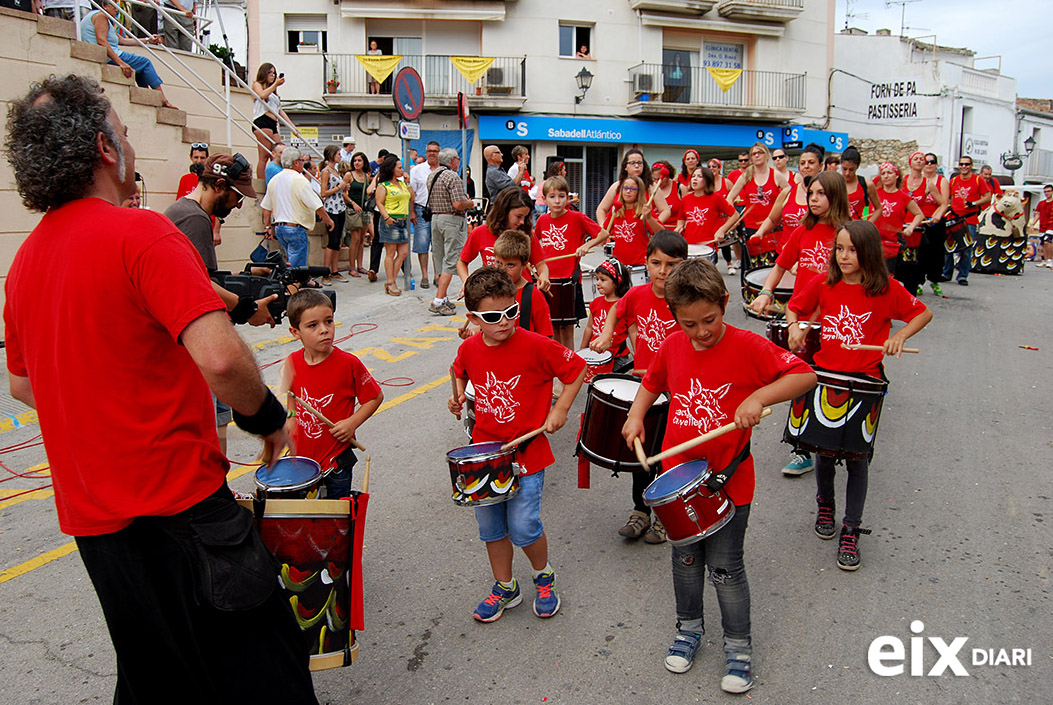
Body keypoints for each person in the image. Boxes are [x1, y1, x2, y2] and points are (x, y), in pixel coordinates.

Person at [4, 73, 318, 704]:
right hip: (182, 511)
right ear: (104, 147)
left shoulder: (26, 262)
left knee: (157, 676)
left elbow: (21, 384)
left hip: (98, 527)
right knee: (269, 673)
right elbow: (223, 361)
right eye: (123, 129)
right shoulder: (141, 231)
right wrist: (269, 419)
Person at [621, 258, 816, 692]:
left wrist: (759, 397)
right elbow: (652, 381)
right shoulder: (673, 345)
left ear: (724, 303)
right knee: (686, 560)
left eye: (708, 320)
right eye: (689, 324)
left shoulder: (748, 346)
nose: (701, 331)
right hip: (677, 480)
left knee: (726, 568)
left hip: (728, 481)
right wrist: (636, 416)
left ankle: (738, 647)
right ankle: (688, 630)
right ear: (675, 317)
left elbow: (804, 374)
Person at [786, 221, 931, 570]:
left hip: (864, 380)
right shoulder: (823, 283)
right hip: (826, 377)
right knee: (821, 450)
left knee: (856, 458)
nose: (844, 255)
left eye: (851, 249)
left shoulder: (886, 289)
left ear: (867, 252)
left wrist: (900, 337)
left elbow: (922, 312)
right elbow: (795, 308)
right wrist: (795, 327)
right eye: (839, 248)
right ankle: (825, 504)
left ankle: (851, 528)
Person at [448, 267, 587, 622]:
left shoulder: (536, 345)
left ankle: (543, 576)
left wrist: (560, 409)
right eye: (494, 317)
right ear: (473, 318)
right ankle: (505, 585)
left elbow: (577, 369)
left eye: (511, 312)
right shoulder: (470, 348)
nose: (506, 322)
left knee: (524, 525)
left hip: (527, 450)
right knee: (490, 528)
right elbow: (458, 368)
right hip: (485, 455)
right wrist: (457, 397)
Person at [166, 153, 277, 455]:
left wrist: (247, 274)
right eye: (236, 196)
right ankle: (218, 485)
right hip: (191, 336)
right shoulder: (195, 218)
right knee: (216, 414)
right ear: (218, 185)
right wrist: (248, 308)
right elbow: (200, 284)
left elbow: (202, 275)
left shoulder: (183, 211)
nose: (238, 205)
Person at [749, 171, 851, 477]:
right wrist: (766, 293)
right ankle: (802, 449)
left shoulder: (847, 233)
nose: (814, 199)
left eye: (821, 194)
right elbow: (780, 267)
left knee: (831, 384)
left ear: (835, 197)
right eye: (811, 194)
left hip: (835, 322)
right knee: (801, 382)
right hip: (802, 318)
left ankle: (832, 441)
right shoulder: (803, 231)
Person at [591, 231, 689, 544]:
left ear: (684, 265)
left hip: (677, 388)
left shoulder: (687, 299)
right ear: (645, 263)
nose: (663, 270)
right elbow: (615, 311)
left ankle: (665, 513)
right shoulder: (637, 295)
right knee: (641, 451)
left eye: (671, 264)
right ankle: (641, 511)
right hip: (645, 384)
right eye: (656, 262)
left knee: (669, 454)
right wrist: (607, 336)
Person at [279, 290, 383, 499]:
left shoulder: (348, 364)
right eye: (313, 325)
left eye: (329, 321)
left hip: (336, 463)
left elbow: (374, 397)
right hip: (303, 460)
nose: (324, 330)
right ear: (295, 332)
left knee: (335, 521)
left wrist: (352, 423)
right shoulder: (292, 361)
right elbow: (292, 396)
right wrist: (290, 422)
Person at [534, 176, 605, 348]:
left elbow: (603, 234)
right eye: (552, 196)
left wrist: (586, 245)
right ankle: (558, 365)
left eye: (561, 196)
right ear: (544, 199)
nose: (557, 201)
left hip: (568, 280)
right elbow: (533, 243)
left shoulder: (577, 217)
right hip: (548, 280)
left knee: (567, 330)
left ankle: (569, 365)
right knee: (551, 329)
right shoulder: (542, 220)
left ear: (568, 197)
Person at [79, 1, 176, 109]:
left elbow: (123, 40)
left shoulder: (99, 18)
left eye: (117, 6)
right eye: (113, 6)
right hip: (108, 56)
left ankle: (149, 95)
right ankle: (163, 99)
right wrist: (121, 63)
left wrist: (148, 40)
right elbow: (102, 42)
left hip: (106, 55)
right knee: (145, 62)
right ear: (104, 6)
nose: (116, 9)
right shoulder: (101, 16)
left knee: (140, 67)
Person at [458, 187, 550, 296]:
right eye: (519, 216)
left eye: (525, 217)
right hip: (493, 295)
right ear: (504, 211)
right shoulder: (480, 232)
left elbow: (541, 264)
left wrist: (544, 276)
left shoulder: (527, 234)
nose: (522, 222)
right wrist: (466, 281)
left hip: (521, 295)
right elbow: (462, 262)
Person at [261, 146, 334, 268]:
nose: (303, 164)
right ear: (295, 162)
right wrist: (328, 220)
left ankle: (295, 284)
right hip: (295, 228)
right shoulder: (299, 180)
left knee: (289, 262)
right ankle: (293, 286)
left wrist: (267, 226)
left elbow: (266, 207)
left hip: (280, 229)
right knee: (296, 269)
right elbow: (316, 204)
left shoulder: (274, 179)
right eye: (301, 160)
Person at [751, 142, 825, 255]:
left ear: (820, 166)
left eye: (811, 163)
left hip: (812, 255)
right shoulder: (788, 192)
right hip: (785, 254)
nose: (806, 166)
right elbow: (772, 219)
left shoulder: (828, 194)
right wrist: (759, 232)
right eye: (802, 163)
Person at [727, 143, 789, 275]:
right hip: (751, 229)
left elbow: (790, 195)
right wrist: (733, 217)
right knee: (753, 271)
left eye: (760, 152)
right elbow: (729, 198)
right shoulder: (746, 175)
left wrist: (782, 211)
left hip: (773, 229)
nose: (757, 156)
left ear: (766, 155)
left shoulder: (776, 175)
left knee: (772, 269)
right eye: (754, 154)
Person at [427, 148, 474, 315]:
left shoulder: (432, 175)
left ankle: (444, 297)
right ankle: (439, 300)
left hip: (436, 218)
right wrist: (469, 203)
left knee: (439, 258)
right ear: (453, 160)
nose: (459, 162)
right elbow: (458, 204)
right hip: (452, 220)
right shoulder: (453, 176)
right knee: (452, 259)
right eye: (458, 159)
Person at [904, 151, 948, 295]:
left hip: (917, 226)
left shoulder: (928, 184)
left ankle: (916, 286)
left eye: (921, 159)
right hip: (901, 226)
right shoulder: (901, 181)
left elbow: (943, 204)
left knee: (917, 260)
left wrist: (936, 216)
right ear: (910, 162)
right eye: (915, 159)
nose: (919, 161)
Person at [494, 230, 554, 337]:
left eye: (510, 265)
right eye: (499, 263)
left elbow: (546, 336)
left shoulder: (533, 295)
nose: (502, 270)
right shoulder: (491, 291)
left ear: (525, 264)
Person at [579, 258, 632, 374]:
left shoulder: (624, 305)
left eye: (603, 280)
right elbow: (589, 328)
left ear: (617, 280)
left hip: (618, 356)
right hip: (597, 354)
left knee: (614, 385)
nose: (598, 283)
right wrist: (582, 350)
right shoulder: (595, 303)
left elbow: (633, 332)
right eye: (597, 279)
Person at [946, 155, 991, 285]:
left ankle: (963, 275)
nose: (964, 167)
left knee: (966, 249)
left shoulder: (978, 180)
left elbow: (988, 196)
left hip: (969, 218)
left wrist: (974, 203)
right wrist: (949, 206)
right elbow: (948, 197)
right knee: (949, 247)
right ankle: (946, 272)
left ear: (971, 166)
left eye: (966, 164)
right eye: (961, 164)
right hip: (954, 217)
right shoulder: (954, 181)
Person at [596, 149, 671, 228]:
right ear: (625, 166)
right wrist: (603, 228)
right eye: (632, 163)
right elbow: (601, 209)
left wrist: (652, 225)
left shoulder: (651, 186)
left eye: (639, 163)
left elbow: (665, 211)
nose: (636, 166)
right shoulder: (617, 186)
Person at [374, 154, 415, 296]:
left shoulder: (402, 183)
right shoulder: (383, 185)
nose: (401, 170)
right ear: (392, 169)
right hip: (391, 220)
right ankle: (391, 282)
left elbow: (411, 197)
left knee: (403, 252)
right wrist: (386, 217)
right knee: (390, 253)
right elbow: (379, 202)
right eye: (399, 167)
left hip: (403, 220)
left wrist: (407, 182)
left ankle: (391, 279)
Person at [874, 160, 923, 277]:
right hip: (873, 242)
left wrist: (911, 228)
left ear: (897, 175)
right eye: (883, 173)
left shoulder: (904, 197)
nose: (886, 176)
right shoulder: (874, 193)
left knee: (887, 278)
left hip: (892, 245)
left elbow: (919, 214)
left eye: (889, 173)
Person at [604, 175, 663, 267]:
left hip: (639, 263)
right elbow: (604, 232)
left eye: (632, 189)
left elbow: (661, 233)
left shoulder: (644, 211)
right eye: (625, 188)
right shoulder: (616, 210)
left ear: (639, 192)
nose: (628, 191)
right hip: (619, 263)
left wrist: (649, 217)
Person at [252, 63, 298, 179]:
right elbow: (262, 95)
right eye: (270, 73)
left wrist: (292, 127)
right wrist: (276, 84)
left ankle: (277, 179)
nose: (272, 76)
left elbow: (280, 111)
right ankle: (262, 183)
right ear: (264, 73)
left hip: (273, 123)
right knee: (265, 156)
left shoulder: (274, 94)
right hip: (262, 120)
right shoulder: (257, 84)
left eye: (274, 73)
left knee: (279, 153)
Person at [409, 141, 443, 289]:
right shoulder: (417, 170)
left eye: (435, 151)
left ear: (439, 153)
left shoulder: (444, 170)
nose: (432, 153)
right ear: (426, 152)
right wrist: (411, 211)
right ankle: (424, 276)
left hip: (439, 210)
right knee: (422, 243)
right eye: (429, 151)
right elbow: (412, 192)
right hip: (421, 209)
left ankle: (437, 275)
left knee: (437, 245)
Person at [677, 166, 735, 245]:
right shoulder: (685, 199)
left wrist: (722, 230)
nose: (695, 178)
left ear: (707, 180)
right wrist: (679, 227)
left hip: (708, 245)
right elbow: (681, 220)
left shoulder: (716, 198)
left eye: (699, 176)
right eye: (693, 176)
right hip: (688, 245)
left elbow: (735, 215)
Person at [319, 145, 349, 283]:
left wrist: (343, 188)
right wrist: (339, 187)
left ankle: (335, 270)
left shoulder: (335, 171)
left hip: (340, 207)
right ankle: (326, 272)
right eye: (338, 154)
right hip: (331, 208)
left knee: (337, 241)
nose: (340, 156)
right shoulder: (326, 171)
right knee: (332, 241)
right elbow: (323, 192)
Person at [342, 151, 373, 278]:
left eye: (359, 160)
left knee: (361, 239)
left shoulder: (366, 176)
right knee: (355, 239)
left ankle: (360, 266)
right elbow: (342, 192)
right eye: (355, 160)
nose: (357, 163)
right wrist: (352, 203)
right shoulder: (349, 175)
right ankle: (352, 267)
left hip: (364, 210)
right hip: (353, 210)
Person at [839, 146, 881, 223]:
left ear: (857, 167)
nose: (847, 173)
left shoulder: (866, 184)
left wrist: (867, 225)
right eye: (844, 169)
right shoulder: (835, 183)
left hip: (858, 230)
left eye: (851, 169)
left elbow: (878, 209)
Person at [1028, 184, 1053, 268]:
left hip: (1051, 225)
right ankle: (1045, 260)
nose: (1047, 193)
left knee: (1047, 241)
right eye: (1045, 192)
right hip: (1043, 225)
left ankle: (1050, 260)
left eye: (1049, 191)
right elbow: (1037, 214)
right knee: (1043, 243)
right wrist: (1032, 224)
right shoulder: (1041, 203)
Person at [651, 160, 681, 225]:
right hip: (655, 231)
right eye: (654, 179)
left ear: (667, 176)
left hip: (675, 231)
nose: (657, 182)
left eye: (659, 179)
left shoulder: (679, 188)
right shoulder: (650, 188)